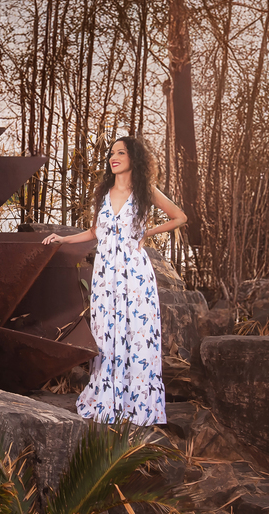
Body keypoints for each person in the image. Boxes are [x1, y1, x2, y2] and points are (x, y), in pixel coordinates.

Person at [42, 136, 187, 426]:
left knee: (137, 332)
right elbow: (95, 232)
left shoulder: (146, 191)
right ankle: (108, 396)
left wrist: (148, 233)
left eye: (120, 152)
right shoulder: (104, 192)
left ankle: (139, 403)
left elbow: (180, 217)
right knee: (107, 333)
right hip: (106, 275)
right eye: (111, 153)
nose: (113, 157)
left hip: (135, 274)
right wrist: (63, 238)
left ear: (134, 158)